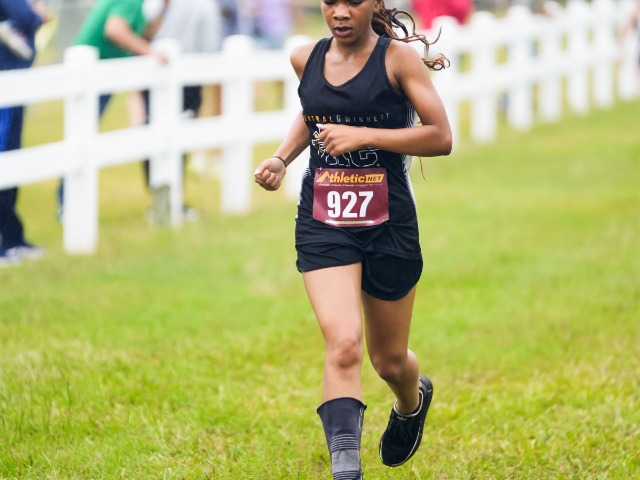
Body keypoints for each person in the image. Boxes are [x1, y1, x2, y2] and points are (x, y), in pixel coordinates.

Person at [254, 0, 452, 477]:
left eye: (353, 2)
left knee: (389, 361)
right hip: (325, 220)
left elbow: (440, 136)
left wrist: (365, 136)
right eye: (330, 2)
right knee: (343, 343)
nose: (340, 12)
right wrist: (281, 158)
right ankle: (347, 471)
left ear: (375, 4)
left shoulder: (397, 60)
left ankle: (411, 400)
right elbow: (314, 113)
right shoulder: (305, 57)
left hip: (389, 223)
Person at [56, 0, 169, 218]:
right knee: (79, 142)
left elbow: (145, 31)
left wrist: (166, 6)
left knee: (82, 139)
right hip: (90, 76)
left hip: (98, 76)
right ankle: (67, 204)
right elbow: (115, 29)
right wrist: (149, 52)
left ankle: (68, 204)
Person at [128, 0, 222, 222]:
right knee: (180, 138)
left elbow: (143, 28)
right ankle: (172, 199)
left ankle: (159, 198)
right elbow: (209, 45)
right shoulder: (204, 5)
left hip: (154, 70)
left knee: (153, 131)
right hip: (189, 75)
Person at [0, 0, 49, 266]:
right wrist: (37, 14)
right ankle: (10, 240)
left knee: (11, 163)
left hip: (13, 84)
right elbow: (27, 17)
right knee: (6, 161)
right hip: (6, 85)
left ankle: (13, 237)